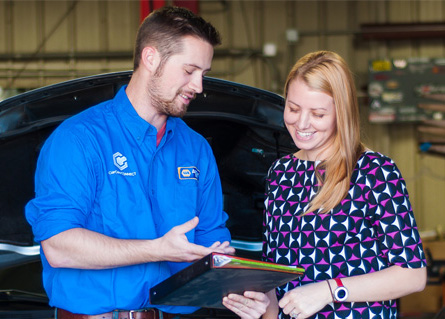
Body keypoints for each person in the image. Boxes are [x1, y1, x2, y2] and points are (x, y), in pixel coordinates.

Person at [25, 6, 268, 319]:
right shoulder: (78, 139)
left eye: (203, 74)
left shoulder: (195, 149)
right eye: (189, 70)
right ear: (151, 58)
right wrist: (157, 249)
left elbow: (212, 244)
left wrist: (242, 288)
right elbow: (59, 246)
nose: (199, 87)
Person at [261, 51, 427, 319]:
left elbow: (413, 275)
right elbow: (272, 274)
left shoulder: (375, 172)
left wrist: (328, 290)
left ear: (342, 113)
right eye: (293, 108)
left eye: (317, 114)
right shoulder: (280, 174)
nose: (301, 123)